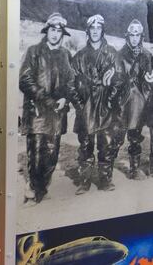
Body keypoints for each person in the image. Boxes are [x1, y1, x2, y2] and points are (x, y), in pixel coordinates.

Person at [19, 13, 75, 204]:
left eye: (59, 31)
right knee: (35, 154)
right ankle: (35, 190)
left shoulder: (66, 55)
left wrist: (65, 99)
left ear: (62, 34)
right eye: (52, 29)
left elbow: (71, 82)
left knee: (52, 155)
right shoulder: (34, 51)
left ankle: (41, 187)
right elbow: (24, 80)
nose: (55, 34)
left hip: (57, 114)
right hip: (37, 112)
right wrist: (47, 99)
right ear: (47, 31)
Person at [69, 14, 124, 195]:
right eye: (92, 29)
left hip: (106, 107)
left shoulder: (112, 54)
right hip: (86, 106)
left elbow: (119, 80)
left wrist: (109, 101)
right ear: (87, 31)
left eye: (98, 28)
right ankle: (84, 181)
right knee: (85, 145)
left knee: (106, 145)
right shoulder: (79, 56)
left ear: (102, 30)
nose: (95, 32)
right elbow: (70, 83)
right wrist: (79, 104)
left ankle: (105, 180)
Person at [113, 19, 153, 180]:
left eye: (137, 35)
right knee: (124, 136)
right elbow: (118, 79)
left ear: (141, 36)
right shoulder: (120, 55)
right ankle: (118, 169)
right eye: (132, 35)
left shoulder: (147, 55)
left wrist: (148, 81)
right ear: (127, 36)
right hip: (127, 102)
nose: (134, 38)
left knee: (142, 134)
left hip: (144, 100)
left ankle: (143, 167)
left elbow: (149, 77)